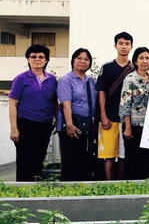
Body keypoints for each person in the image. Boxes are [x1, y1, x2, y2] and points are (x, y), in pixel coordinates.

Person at [8, 44, 58, 181]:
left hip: (44, 125)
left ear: (46, 60)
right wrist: (14, 129)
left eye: (41, 57)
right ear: (28, 59)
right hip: (25, 124)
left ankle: (36, 190)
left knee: (39, 158)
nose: (37, 59)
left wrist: (56, 120)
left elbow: (55, 102)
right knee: (24, 161)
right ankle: (22, 191)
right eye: (33, 56)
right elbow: (13, 104)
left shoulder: (52, 80)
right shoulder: (21, 79)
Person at [96, 31, 134, 180]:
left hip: (127, 120)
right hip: (109, 117)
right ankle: (108, 184)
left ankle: (121, 184)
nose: (124, 47)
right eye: (121, 43)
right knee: (109, 155)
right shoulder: (107, 67)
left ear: (131, 47)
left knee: (124, 155)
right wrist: (103, 115)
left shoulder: (134, 69)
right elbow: (101, 92)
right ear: (115, 46)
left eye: (127, 44)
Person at [57, 48, 97, 181]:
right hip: (71, 123)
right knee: (70, 160)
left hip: (87, 124)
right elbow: (65, 104)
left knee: (85, 160)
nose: (83, 61)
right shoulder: (66, 80)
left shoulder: (91, 81)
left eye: (86, 59)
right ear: (73, 61)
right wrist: (69, 124)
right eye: (79, 58)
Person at [120, 47, 149, 180]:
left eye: (147, 58)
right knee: (133, 160)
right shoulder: (130, 79)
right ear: (135, 61)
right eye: (141, 58)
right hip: (133, 125)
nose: (145, 61)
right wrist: (128, 127)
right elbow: (125, 104)